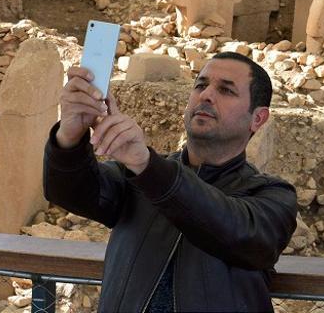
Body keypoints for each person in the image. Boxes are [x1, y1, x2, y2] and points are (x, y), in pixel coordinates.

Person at [43, 51, 298, 312]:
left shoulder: (272, 195)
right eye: (201, 85)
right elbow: (69, 191)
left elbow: (240, 232)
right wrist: (70, 136)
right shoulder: (139, 176)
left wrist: (147, 165)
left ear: (258, 118)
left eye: (226, 90)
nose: (206, 95)